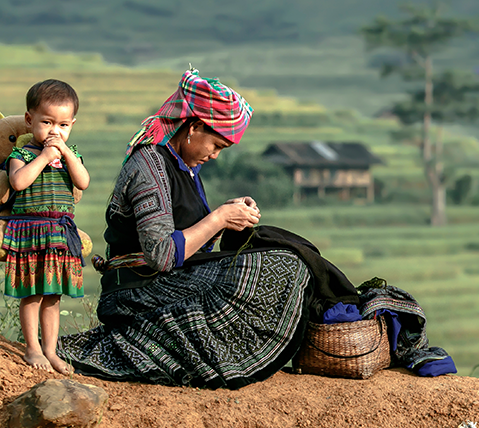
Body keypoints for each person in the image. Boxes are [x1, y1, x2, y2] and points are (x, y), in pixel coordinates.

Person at [57, 69, 312, 389]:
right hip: (137, 289)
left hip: (168, 278)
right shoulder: (149, 165)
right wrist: (218, 218)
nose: (215, 154)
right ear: (192, 128)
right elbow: (162, 255)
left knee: (282, 255)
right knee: (274, 266)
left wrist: (230, 216)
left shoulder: (186, 167)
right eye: (216, 144)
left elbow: (190, 239)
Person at [1, 79, 91, 375]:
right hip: (31, 233)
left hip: (58, 234)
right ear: (30, 120)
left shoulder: (71, 154)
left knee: (53, 295)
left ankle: (51, 350)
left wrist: (65, 154)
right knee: (32, 293)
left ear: (72, 125)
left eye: (63, 125)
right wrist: (43, 157)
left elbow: (83, 182)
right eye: (47, 122)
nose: (55, 131)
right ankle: (32, 348)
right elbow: (18, 182)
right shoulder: (22, 155)